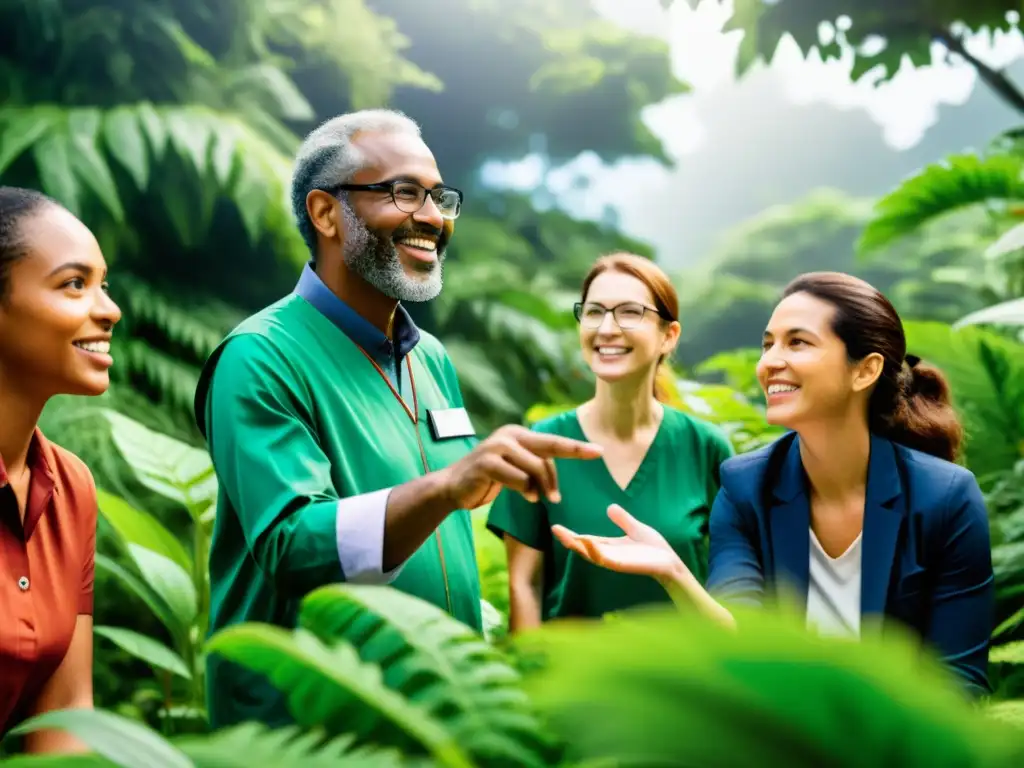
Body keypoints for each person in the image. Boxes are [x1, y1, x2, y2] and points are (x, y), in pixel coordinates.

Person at [193, 109, 602, 729]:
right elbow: (290, 546)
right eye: (404, 192)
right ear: (327, 213)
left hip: (441, 719)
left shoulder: (431, 359)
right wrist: (446, 486)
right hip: (310, 733)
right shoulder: (260, 357)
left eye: (439, 197)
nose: (433, 217)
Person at [553, 271, 994, 697]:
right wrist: (674, 573)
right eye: (768, 345)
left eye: (797, 342)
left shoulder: (946, 496)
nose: (769, 362)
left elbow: (959, 683)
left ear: (865, 371)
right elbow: (745, 644)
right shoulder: (747, 488)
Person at [487, 253, 734, 631]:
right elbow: (525, 586)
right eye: (594, 311)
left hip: (683, 683)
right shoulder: (539, 447)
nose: (606, 328)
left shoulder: (707, 448)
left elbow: (733, 596)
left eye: (629, 312)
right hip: (571, 683)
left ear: (669, 336)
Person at [0, 187, 122, 750]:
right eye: (74, 284)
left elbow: (65, 714)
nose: (109, 309)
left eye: (103, 284)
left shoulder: (69, 488)